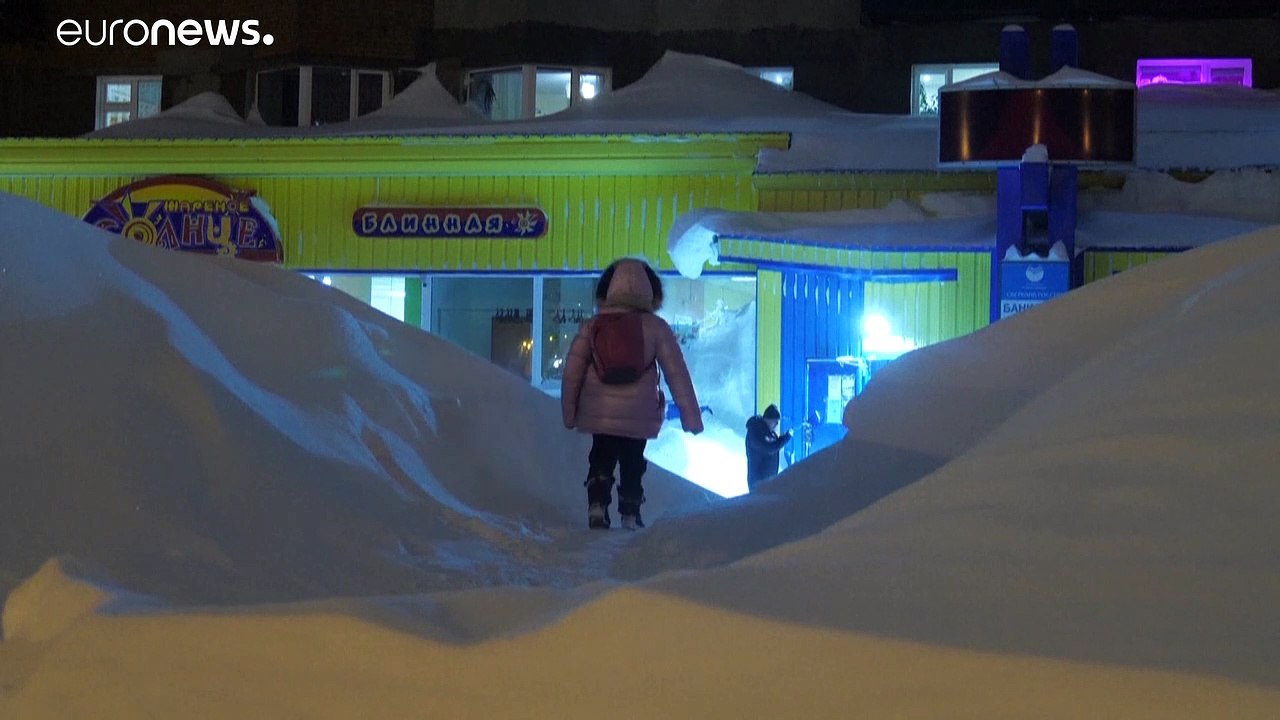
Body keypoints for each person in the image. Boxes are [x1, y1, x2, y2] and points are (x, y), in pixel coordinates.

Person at [562, 258, 703, 530]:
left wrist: (570, 414)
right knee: (633, 461)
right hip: (639, 414)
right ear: (650, 291)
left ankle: (597, 506)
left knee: (601, 457)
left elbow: (572, 372)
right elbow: (677, 373)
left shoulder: (593, 326)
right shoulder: (655, 327)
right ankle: (629, 513)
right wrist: (692, 419)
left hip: (600, 412)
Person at [745, 404, 792, 490]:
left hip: (767, 482)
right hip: (757, 482)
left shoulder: (769, 433)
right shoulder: (754, 432)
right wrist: (786, 438)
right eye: (776, 422)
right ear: (769, 419)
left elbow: (775, 444)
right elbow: (769, 449)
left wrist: (784, 437)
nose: (776, 425)